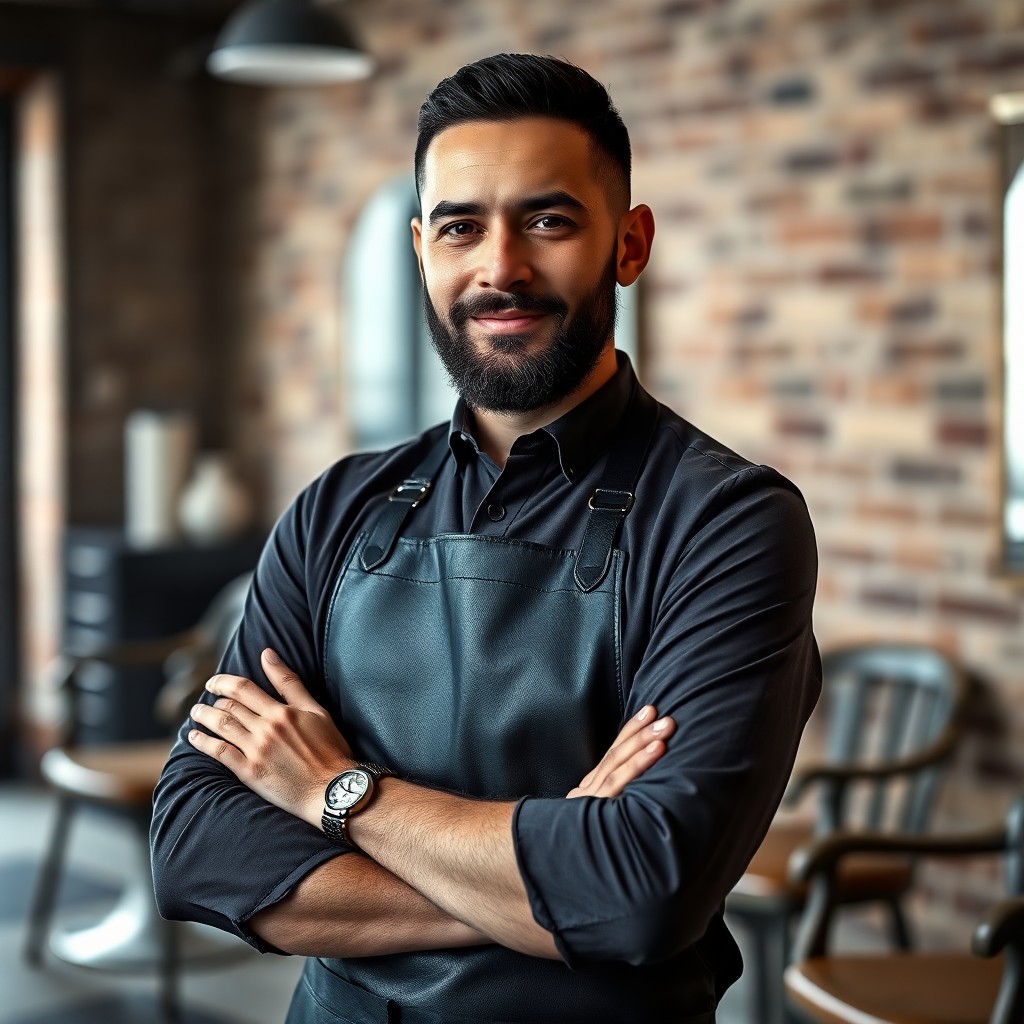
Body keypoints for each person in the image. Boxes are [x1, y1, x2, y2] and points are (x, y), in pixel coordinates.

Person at [151, 53, 821, 1024]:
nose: (499, 266)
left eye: (547, 221)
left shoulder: (729, 522)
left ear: (628, 246)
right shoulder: (335, 509)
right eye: (461, 227)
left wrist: (338, 793)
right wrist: (547, 884)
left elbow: (642, 893)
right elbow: (196, 844)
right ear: (422, 249)